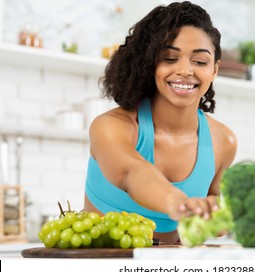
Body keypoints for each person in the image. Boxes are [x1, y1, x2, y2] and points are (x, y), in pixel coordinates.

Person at [84, 1, 237, 243]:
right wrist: (180, 203)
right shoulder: (112, 127)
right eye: (169, 58)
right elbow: (133, 173)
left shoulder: (223, 142)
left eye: (199, 61)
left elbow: (213, 201)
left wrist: (215, 212)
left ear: (215, 69)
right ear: (150, 63)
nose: (185, 71)